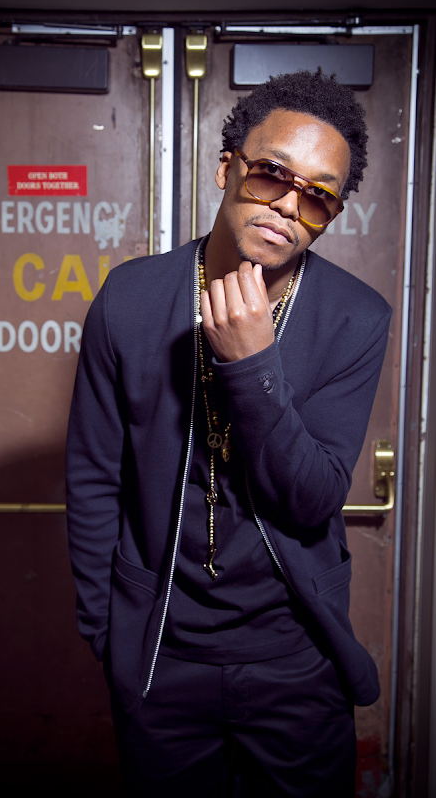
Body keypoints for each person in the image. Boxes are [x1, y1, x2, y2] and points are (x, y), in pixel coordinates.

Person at [66, 69, 392, 798]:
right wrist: (107, 633)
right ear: (227, 168)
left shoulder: (356, 317)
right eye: (271, 173)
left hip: (296, 656)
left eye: (317, 196)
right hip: (159, 653)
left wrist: (251, 367)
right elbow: (93, 478)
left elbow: (312, 499)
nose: (287, 206)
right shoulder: (130, 297)